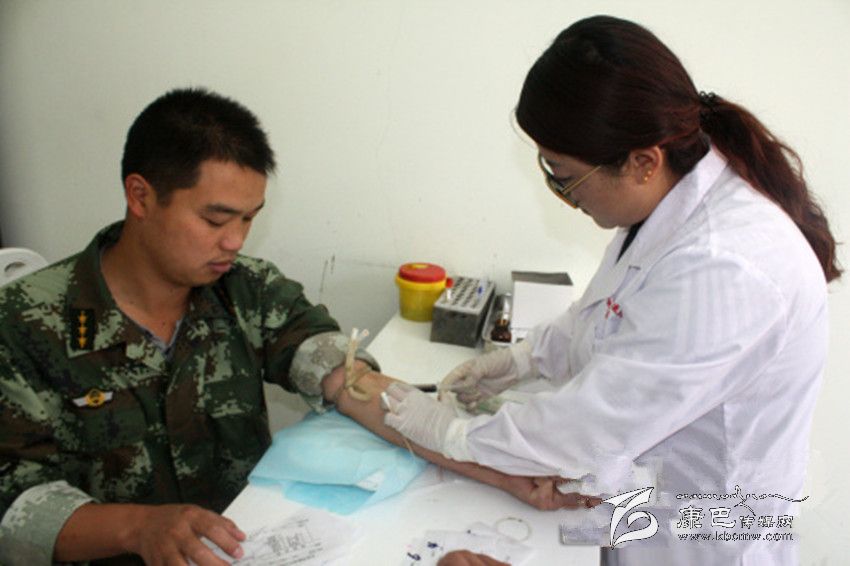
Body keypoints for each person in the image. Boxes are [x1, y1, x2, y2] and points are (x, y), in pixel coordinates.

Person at [0, 88, 593, 566]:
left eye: (248, 219)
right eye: (215, 219)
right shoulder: (25, 324)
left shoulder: (245, 290)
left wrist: (501, 470)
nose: (235, 242)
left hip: (250, 541)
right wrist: (138, 528)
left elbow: (352, 385)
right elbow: (12, 504)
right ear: (141, 196)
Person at [382, 15, 840, 565]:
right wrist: (524, 359)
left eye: (564, 175)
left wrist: (453, 435)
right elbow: (608, 316)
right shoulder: (664, 208)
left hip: (705, 540)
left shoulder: (727, 269)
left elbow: (588, 429)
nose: (561, 193)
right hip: (644, 505)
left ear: (643, 162)